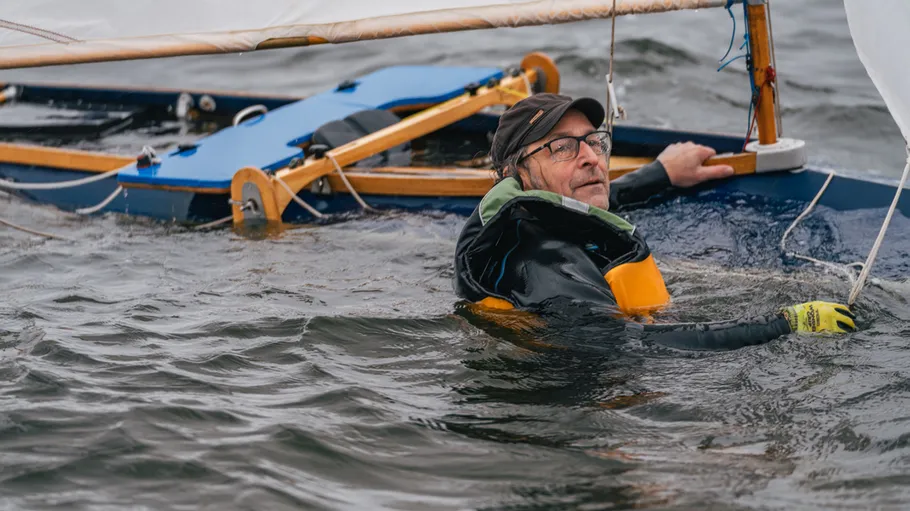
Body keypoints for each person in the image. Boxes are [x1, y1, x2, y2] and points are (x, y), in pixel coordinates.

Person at [453, 93, 855, 350]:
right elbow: (639, 346)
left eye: (594, 142)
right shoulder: (545, 267)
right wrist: (783, 324)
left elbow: (588, 207)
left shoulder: (537, 218)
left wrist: (661, 173)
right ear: (517, 175)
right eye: (562, 148)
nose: (592, 158)